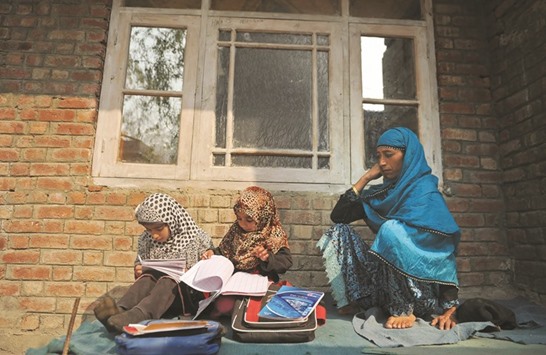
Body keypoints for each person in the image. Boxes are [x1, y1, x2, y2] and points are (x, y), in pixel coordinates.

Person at [316, 127, 460, 330]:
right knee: (339, 231)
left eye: (389, 155)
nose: (382, 163)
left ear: (408, 156)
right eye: (379, 156)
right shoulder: (382, 193)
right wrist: (365, 178)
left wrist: (450, 308)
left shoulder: (426, 194)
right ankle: (359, 300)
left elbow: (442, 255)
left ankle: (403, 311)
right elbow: (339, 216)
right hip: (382, 290)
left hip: (419, 294)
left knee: (391, 229)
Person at [93, 193, 214, 333]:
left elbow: (210, 270)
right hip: (155, 298)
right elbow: (140, 262)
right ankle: (119, 311)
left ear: (172, 221)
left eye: (158, 229)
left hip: (186, 299)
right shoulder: (146, 239)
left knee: (169, 280)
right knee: (147, 277)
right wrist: (138, 269)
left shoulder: (197, 238)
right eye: (149, 230)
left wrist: (201, 263)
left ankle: (138, 315)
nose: (154, 235)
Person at [201, 186, 293, 317]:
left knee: (260, 308)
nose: (243, 224)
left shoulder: (274, 234)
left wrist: (267, 258)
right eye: (239, 218)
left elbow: (286, 261)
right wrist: (212, 253)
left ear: (263, 216)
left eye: (249, 220)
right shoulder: (235, 231)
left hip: (262, 282)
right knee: (223, 307)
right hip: (235, 283)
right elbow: (223, 251)